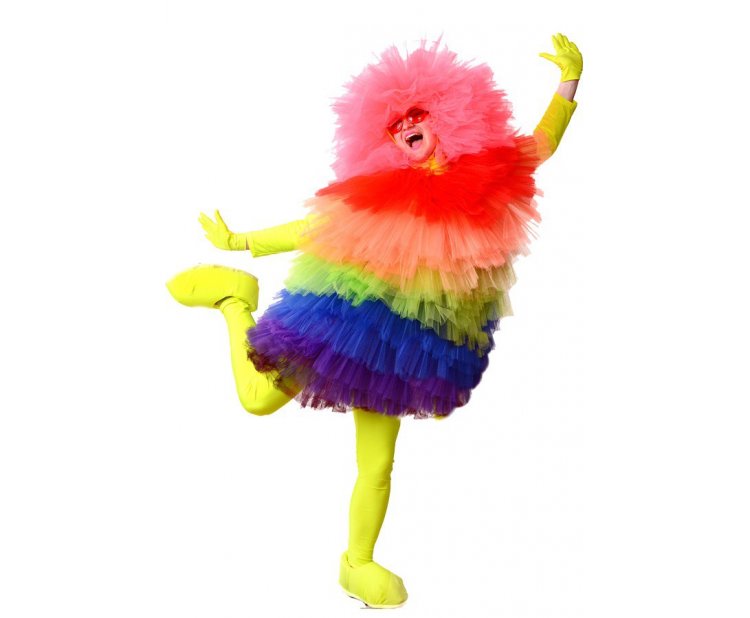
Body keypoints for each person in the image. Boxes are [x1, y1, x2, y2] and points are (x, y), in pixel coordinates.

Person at [167, 33, 582, 609]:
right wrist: (241, 241)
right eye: (394, 125)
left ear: (446, 118)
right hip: (348, 324)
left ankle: (356, 563)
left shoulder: (485, 174)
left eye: (417, 115)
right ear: (384, 140)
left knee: (380, 463)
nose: (406, 127)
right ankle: (234, 300)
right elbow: (315, 228)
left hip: (403, 346)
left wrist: (569, 81)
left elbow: (540, 145)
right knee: (257, 399)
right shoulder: (383, 189)